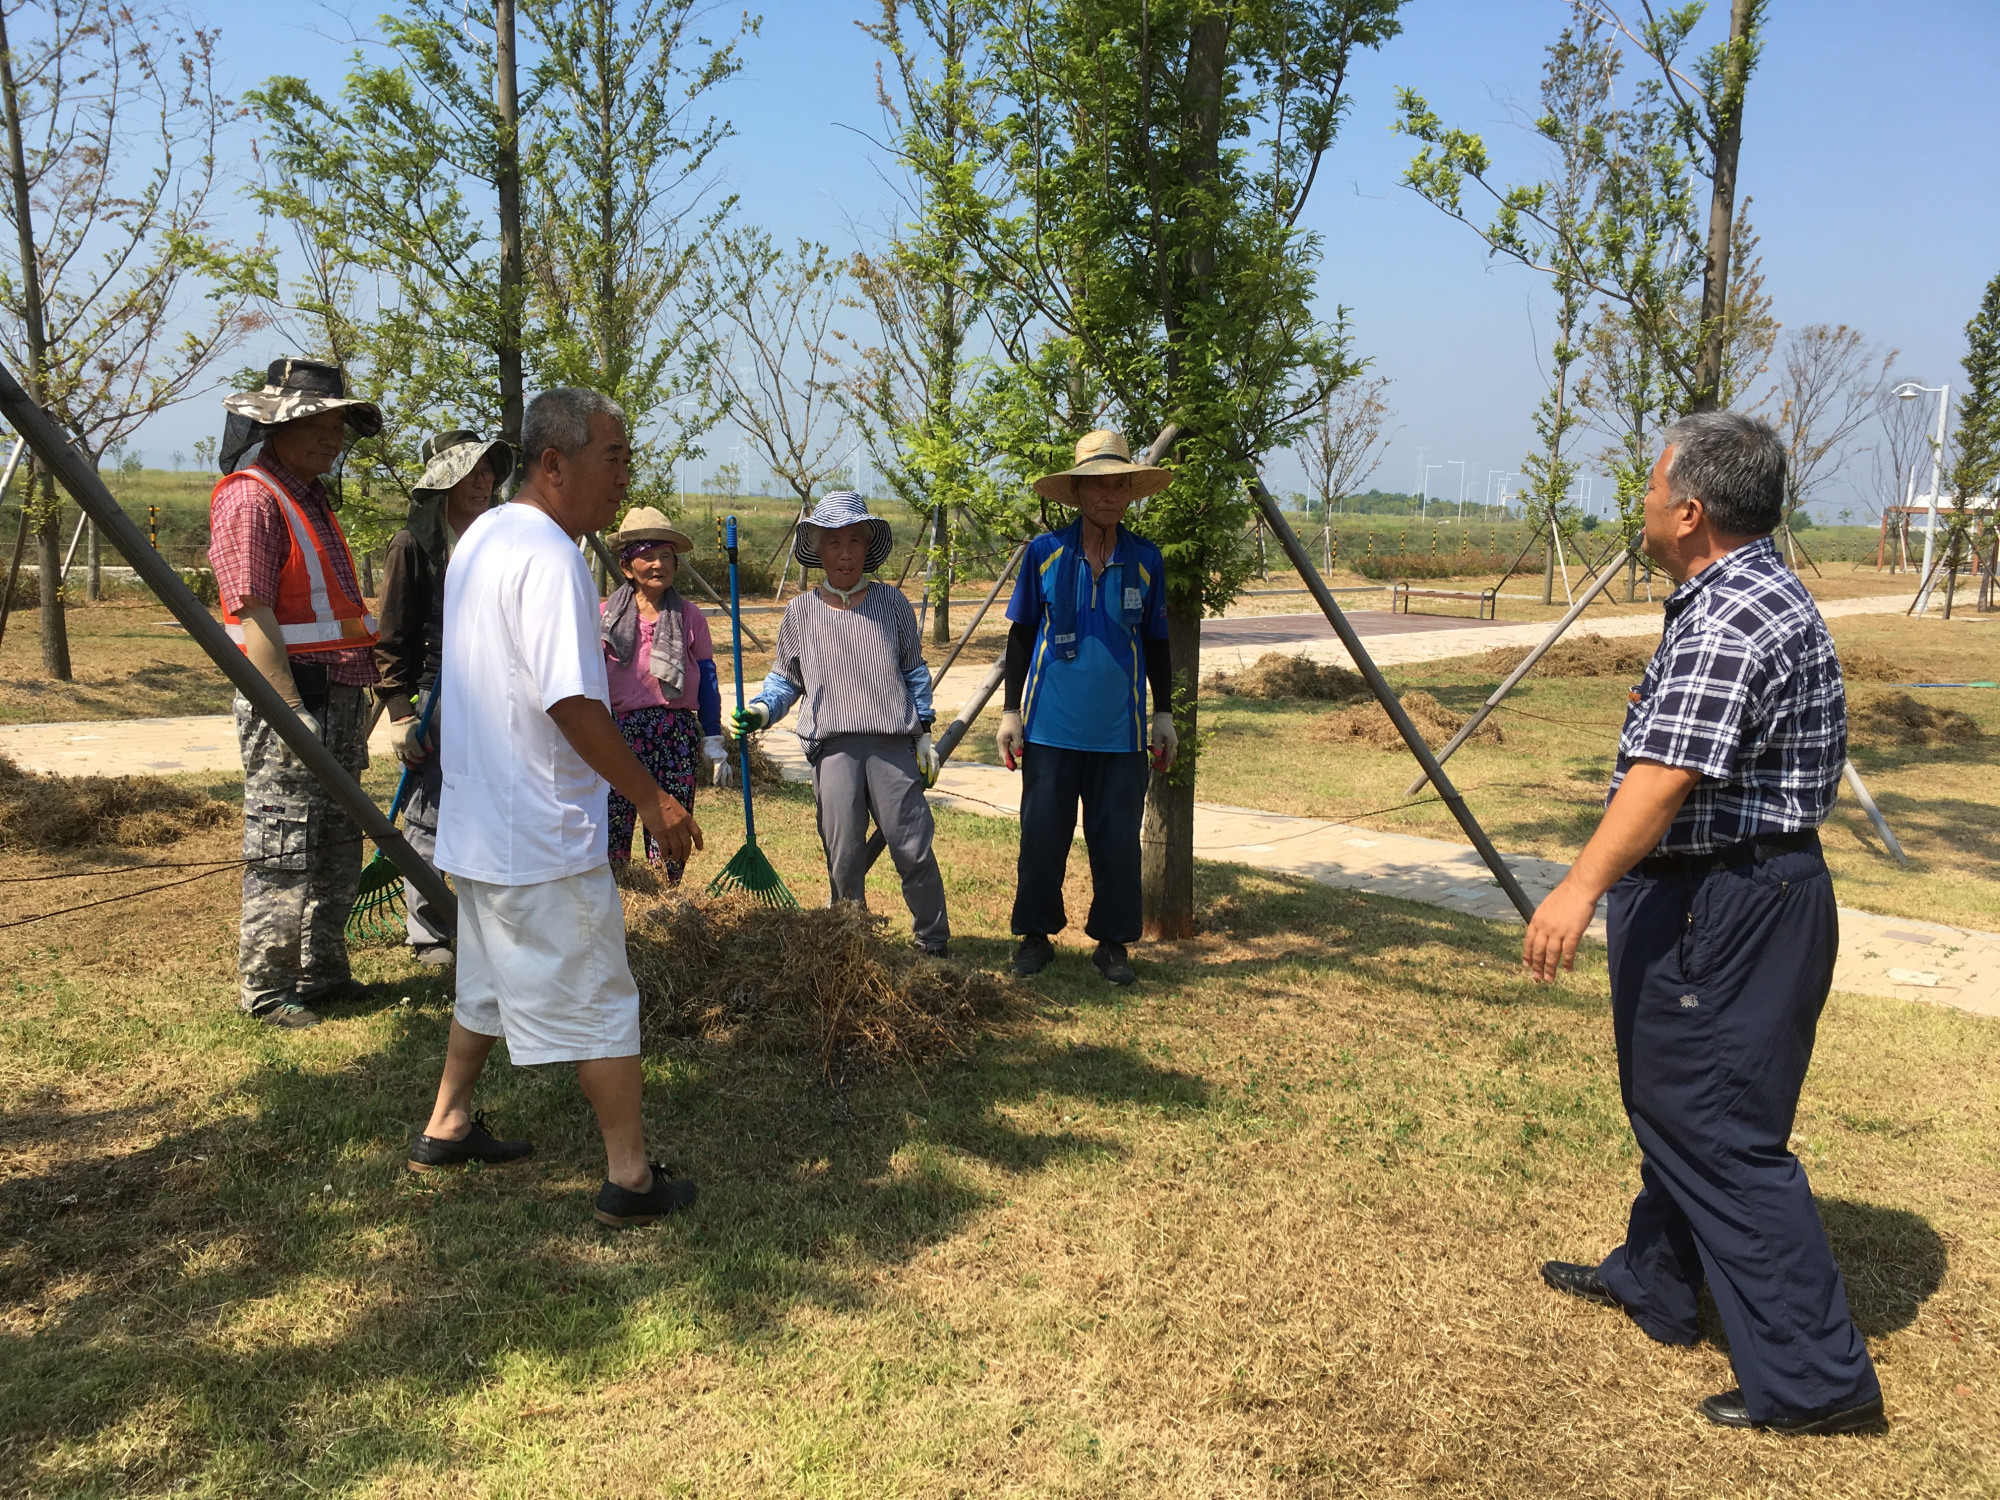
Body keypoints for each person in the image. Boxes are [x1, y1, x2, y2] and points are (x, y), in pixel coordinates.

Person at [1526, 411, 1884, 1436]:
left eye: (1647, 490)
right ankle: (1655, 1276)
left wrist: (1577, 886)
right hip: (1728, 892)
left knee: (1720, 1129)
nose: (1637, 506)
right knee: (1678, 1103)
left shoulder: (1729, 618)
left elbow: (1663, 779)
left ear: (1687, 510)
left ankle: (1816, 1383)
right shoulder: (1741, 592)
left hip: (1726, 901)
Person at [406, 387, 705, 1228]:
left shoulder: (484, 538)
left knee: (487, 984)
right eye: (612, 459)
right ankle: (630, 1179)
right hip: (540, 831)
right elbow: (572, 702)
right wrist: (651, 798)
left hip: (484, 824)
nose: (624, 479)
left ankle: (448, 1120)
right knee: (603, 999)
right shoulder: (548, 556)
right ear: (553, 464)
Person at [208, 358, 385, 1030]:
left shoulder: (311, 496)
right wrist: (287, 711)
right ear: (275, 425)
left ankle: (323, 972)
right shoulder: (252, 496)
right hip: (291, 698)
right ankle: (268, 987)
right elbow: (251, 612)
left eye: (339, 422)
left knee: (337, 839)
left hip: (339, 690)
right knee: (284, 840)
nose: (332, 435)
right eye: (317, 421)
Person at [731, 491, 949, 955]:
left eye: (855, 540)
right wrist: (762, 710)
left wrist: (925, 732)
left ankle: (932, 940)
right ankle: (851, 941)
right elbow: (786, 678)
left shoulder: (892, 604)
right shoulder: (801, 612)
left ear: (869, 547)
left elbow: (914, 671)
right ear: (818, 549)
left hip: (892, 744)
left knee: (912, 846)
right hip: (833, 749)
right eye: (833, 542)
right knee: (844, 854)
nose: (845, 552)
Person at [997, 431, 1176, 985]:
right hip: (1050, 727)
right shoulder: (1044, 554)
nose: (1110, 494)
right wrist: (1009, 712)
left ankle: (1113, 945)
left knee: (1117, 841)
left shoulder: (1146, 560)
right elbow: (1023, 634)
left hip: (1120, 734)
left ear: (1130, 492)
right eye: (1098, 484)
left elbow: (1157, 642)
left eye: (1120, 483)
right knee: (1042, 836)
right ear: (1076, 491)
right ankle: (1034, 936)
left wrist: (1162, 713)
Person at [372, 428, 514, 966]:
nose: (483, 481)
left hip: (494, 691)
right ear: (443, 481)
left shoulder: (501, 538)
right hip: (438, 693)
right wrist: (401, 715)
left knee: (492, 806)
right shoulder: (413, 546)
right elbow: (392, 638)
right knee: (430, 813)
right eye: (470, 471)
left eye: (488, 471)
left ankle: (484, 922)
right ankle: (429, 930)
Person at [600, 505, 730, 881]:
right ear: (627, 567)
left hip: (674, 734)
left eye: (666, 557)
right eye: (647, 557)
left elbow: (707, 678)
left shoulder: (689, 617)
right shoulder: (604, 617)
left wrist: (712, 737)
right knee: (613, 821)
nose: (658, 565)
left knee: (671, 822)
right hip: (617, 735)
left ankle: (668, 893)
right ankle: (618, 892)